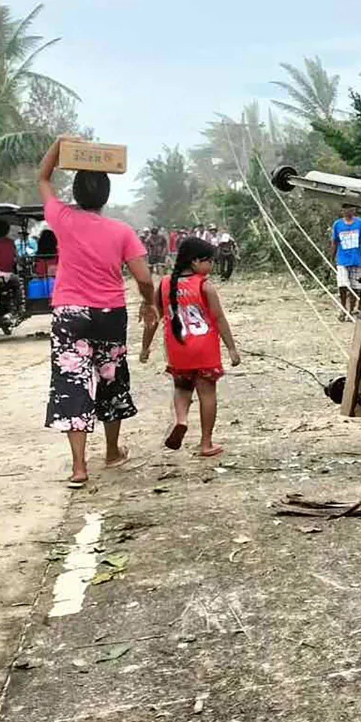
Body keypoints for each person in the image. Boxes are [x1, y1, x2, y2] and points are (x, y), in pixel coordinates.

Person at [37, 137, 157, 488]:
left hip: (70, 313)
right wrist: (148, 302)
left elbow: (42, 179)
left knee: (71, 382)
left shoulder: (61, 217)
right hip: (109, 313)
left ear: (75, 194)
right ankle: (112, 451)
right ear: (106, 197)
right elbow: (144, 278)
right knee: (110, 378)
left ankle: (78, 468)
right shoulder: (122, 231)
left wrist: (58, 149)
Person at [141, 237, 241, 458]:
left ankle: (181, 420)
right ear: (196, 262)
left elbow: (153, 318)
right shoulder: (205, 286)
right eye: (209, 261)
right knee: (207, 393)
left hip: (178, 349)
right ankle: (206, 443)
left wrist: (145, 348)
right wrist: (232, 349)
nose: (212, 266)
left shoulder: (166, 283)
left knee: (182, 388)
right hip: (204, 349)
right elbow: (219, 319)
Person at [331, 204, 361, 318]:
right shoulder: (338, 224)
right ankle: (343, 309)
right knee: (342, 285)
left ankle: (351, 309)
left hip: (357, 260)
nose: (350, 211)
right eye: (347, 209)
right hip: (342, 260)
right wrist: (332, 257)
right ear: (342, 210)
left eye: (352, 208)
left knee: (355, 287)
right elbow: (334, 241)